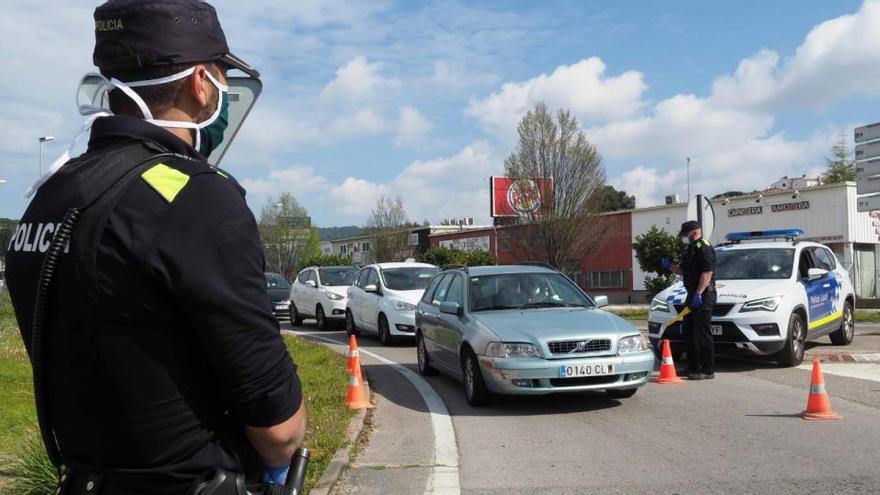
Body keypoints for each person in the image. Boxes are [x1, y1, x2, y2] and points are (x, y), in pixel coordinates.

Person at [4, 1, 305, 493]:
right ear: (200, 84)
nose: (224, 94)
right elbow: (278, 429)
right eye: (224, 80)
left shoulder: (50, 194)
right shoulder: (199, 198)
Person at [662, 220, 717, 380]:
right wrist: (670, 266)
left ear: (694, 232)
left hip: (704, 294)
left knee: (702, 333)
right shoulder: (691, 249)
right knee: (689, 332)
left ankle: (707, 370)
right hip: (692, 294)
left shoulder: (704, 247)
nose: (684, 238)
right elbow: (683, 271)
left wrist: (699, 293)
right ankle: (693, 367)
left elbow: (707, 273)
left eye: (686, 235)